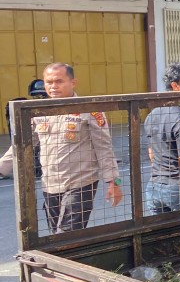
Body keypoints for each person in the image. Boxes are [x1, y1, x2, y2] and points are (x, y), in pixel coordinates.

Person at [0, 63, 123, 232]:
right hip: (50, 185)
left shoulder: (89, 110)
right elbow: (21, 145)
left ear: (73, 82)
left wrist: (113, 182)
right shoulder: (38, 112)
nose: (53, 86)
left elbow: (104, 148)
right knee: (56, 236)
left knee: (66, 235)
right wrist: (1, 168)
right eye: (49, 82)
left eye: (59, 81)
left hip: (80, 184)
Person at [144, 62, 180, 215]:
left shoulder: (153, 114)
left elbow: (152, 155)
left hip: (154, 187)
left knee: (165, 234)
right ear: (175, 86)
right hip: (177, 188)